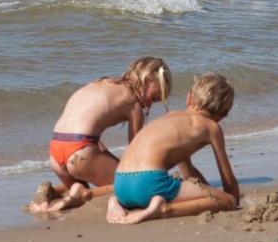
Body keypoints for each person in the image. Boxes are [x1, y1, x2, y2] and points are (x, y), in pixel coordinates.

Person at [30, 57, 172, 213]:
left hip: (56, 152)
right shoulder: (134, 102)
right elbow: (134, 153)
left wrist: (107, 158)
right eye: (154, 98)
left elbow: (89, 133)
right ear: (147, 79)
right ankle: (70, 196)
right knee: (131, 188)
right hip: (80, 152)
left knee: (83, 189)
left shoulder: (100, 83)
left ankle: (51, 192)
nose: (150, 105)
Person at [106, 72, 239, 224]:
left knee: (147, 192)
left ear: (189, 97)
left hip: (121, 185)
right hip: (149, 183)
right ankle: (163, 209)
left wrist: (206, 190)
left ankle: (115, 202)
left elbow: (188, 173)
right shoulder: (212, 128)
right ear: (224, 115)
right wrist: (230, 198)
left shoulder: (170, 116)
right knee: (228, 201)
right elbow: (227, 179)